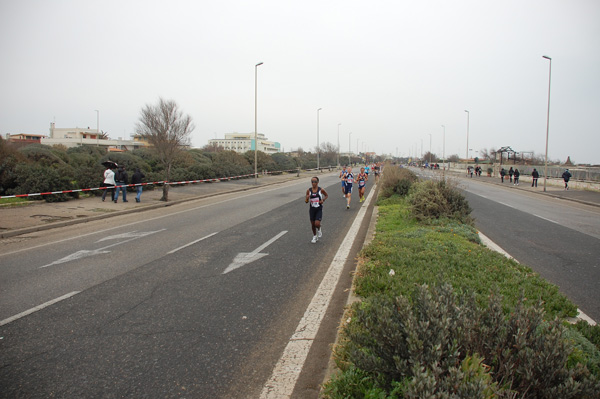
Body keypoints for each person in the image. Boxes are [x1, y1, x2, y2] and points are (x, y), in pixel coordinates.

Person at [305, 177, 328, 243]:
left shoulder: (321, 190)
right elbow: (306, 201)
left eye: (314, 181)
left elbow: (326, 195)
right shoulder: (308, 190)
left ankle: (319, 228)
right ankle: (315, 236)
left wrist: (323, 200)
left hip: (319, 208)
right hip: (312, 209)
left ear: (317, 182)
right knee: (312, 224)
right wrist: (307, 198)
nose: (313, 183)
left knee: (317, 223)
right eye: (312, 181)